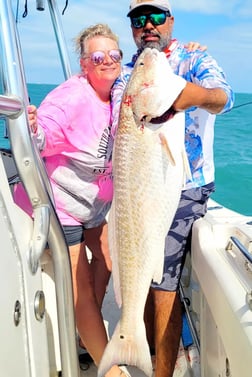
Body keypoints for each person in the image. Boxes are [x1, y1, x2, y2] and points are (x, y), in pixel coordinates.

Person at [111, 1, 235, 377]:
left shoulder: (194, 57)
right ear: (132, 27)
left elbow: (222, 96)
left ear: (171, 21)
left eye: (156, 17)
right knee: (137, 266)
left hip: (187, 184)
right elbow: (122, 114)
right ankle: (140, 343)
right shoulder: (126, 73)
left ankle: (161, 370)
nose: (147, 25)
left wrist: (191, 96)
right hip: (137, 182)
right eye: (138, 19)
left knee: (163, 282)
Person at [14, 23, 131, 377]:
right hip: (62, 203)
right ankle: (108, 367)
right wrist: (32, 126)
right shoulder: (71, 98)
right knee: (78, 284)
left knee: (109, 258)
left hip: (94, 205)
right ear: (84, 64)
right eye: (98, 56)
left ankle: (86, 329)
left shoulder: (118, 90)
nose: (107, 61)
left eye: (114, 55)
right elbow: (42, 135)